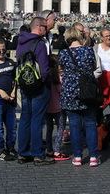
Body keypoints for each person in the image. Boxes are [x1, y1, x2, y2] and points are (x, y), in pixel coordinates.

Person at [15, 16, 55, 166]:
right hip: (38, 86)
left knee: (25, 118)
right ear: (39, 28)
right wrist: (44, 81)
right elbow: (44, 69)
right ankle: (38, 154)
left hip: (24, 85)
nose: (46, 29)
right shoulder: (39, 44)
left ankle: (23, 152)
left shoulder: (20, 42)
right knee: (37, 120)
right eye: (45, 27)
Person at [60, 25, 101, 167]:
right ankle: (93, 157)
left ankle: (77, 156)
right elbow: (95, 66)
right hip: (87, 91)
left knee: (74, 125)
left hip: (70, 92)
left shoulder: (64, 53)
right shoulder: (89, 50)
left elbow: (60, 69)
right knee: (90, 124)